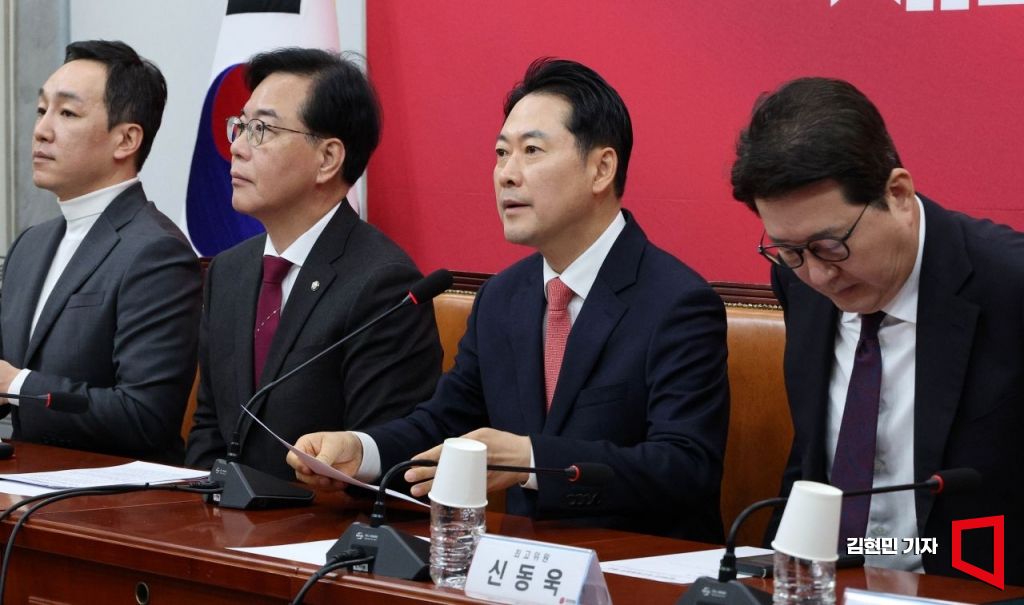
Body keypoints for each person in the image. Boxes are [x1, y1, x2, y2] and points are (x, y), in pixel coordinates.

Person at [287, 58, 730, 541]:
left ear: (602, 168)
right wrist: (361, 451)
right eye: (501, 153)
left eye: (531, 150)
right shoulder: (502, 298)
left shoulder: (677, 303)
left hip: (638, 563)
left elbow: (685, 467)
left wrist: (532, 460)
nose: (506, 175)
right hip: (518, 562)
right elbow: (444, 422)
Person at [731, 77, 1024, 582]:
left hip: (976, 584)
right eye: (789, 250)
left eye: (831, 246)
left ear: (898, 194)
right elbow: (811, 461)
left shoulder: (1009, 288)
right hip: (829, 581)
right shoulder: (798, 281)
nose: (818, 275)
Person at [185, 48, 442, 481]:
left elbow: (383, 460)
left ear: (327, 159)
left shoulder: (382, 285)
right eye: (240, 126)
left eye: (261, 129)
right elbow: (210, 429)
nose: (237, 147)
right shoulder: (228, 271)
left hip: (317, 519)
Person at [0, 40, 201, 464]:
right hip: (24, 484)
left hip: (116, 496)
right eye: (41, 110)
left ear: (126, 139)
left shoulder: (156, 252)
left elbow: (146, 416)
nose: (41, 130)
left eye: (67, 113)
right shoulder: (30, 244)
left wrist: (18, 385)